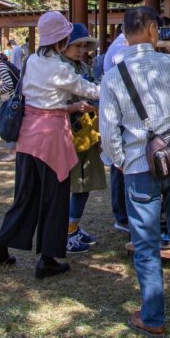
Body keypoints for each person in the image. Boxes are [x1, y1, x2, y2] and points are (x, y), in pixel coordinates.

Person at [99, 7, 170, 335]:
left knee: (146, 242)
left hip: (138, 166)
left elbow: (108, 132)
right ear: (151, 29)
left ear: (125, 34)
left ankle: (153, 316)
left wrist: (121, 161)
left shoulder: (113, 76)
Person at [0, 11, 99, 279]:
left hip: (28, 135)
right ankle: (47, 259)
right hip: (51, 137)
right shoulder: (59, 68)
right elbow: (90, 90)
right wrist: (118, 87)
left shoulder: (32, 61)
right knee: (54, 198)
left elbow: (40, 99)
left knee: (24, 197)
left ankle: (0, 249)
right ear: (62, 40)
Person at [60, 23, 107, 255]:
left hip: (87, 131)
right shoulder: (60, 67)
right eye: (77, 46)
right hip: (69, 133)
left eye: (84, 46)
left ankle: (73, 227)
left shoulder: (81, 65)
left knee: (84, 184)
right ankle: (67, 233)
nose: (81, 50)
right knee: (75, 184)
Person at [101, 26, 131, 233]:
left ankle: (125, 214)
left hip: (124, 116)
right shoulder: (122, 48)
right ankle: (122, 217)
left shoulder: (121, 45)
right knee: (120, 167)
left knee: (122, 167)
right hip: (122, 116)